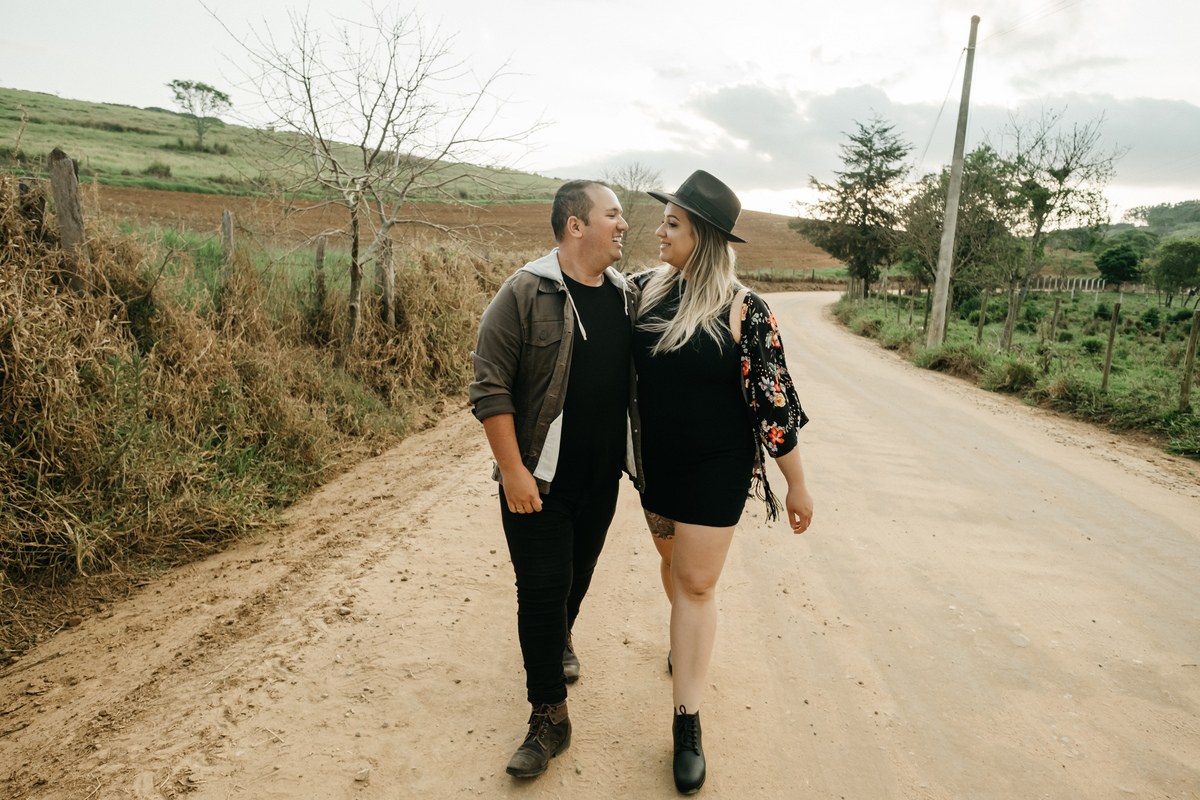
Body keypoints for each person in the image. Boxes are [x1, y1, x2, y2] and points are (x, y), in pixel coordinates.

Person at [631, 170, 814, 794]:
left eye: (673, 223)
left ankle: (687, 722)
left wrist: (797, 484)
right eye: (664, 220)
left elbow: (774, 403)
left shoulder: (745, 309)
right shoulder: (641, 294)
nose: (659, 231)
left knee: (697, 583)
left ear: (703, 237)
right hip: (655, 467)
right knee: (672, 564)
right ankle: (685, 640)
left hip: (718, 466)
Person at [468, 180, 642, 779]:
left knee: (576, 576)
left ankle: (560, 637)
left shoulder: (626, 298)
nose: (624, 225)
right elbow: (489, 387)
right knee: (540, 591)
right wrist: (514, 471)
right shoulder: (523, 293)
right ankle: (549, 717)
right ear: (576, 225)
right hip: (538, 481)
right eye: (613, 215)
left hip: (601, 481)